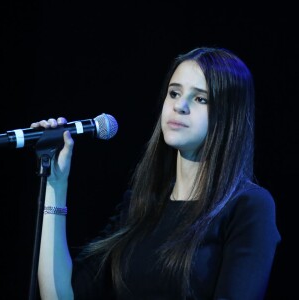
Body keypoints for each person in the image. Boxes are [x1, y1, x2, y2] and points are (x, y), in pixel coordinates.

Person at [33, 47, 281, 300]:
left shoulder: (248, 207)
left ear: (229, 116)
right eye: (174, 93)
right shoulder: (140, 203)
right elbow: (61, 296)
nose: (180, 106)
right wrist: (56, 184)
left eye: (200, 99)